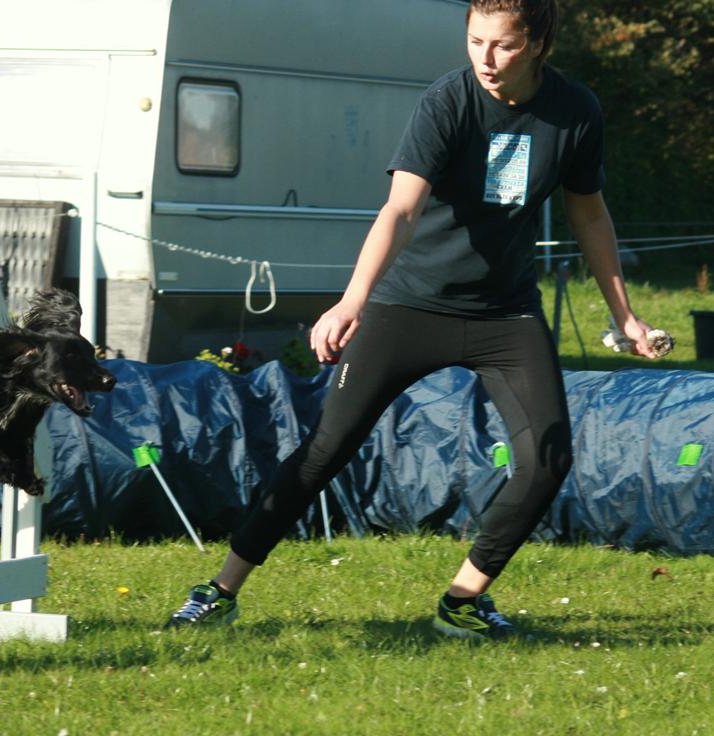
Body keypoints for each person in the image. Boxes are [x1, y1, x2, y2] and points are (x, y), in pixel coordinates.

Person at [164, 0, 664, 639]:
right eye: (475, 41)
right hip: (409, 305)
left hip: (505, 314)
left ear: (539, 44)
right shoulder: (447, 102)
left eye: (503, 46)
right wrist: (352, 300)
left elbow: (589, 214)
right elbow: (400, 209)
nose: (485, 59)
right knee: (324, 453)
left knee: (547, 458)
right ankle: (220, 589)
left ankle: (463, 600)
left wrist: (625, 315)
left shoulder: (575, 111)